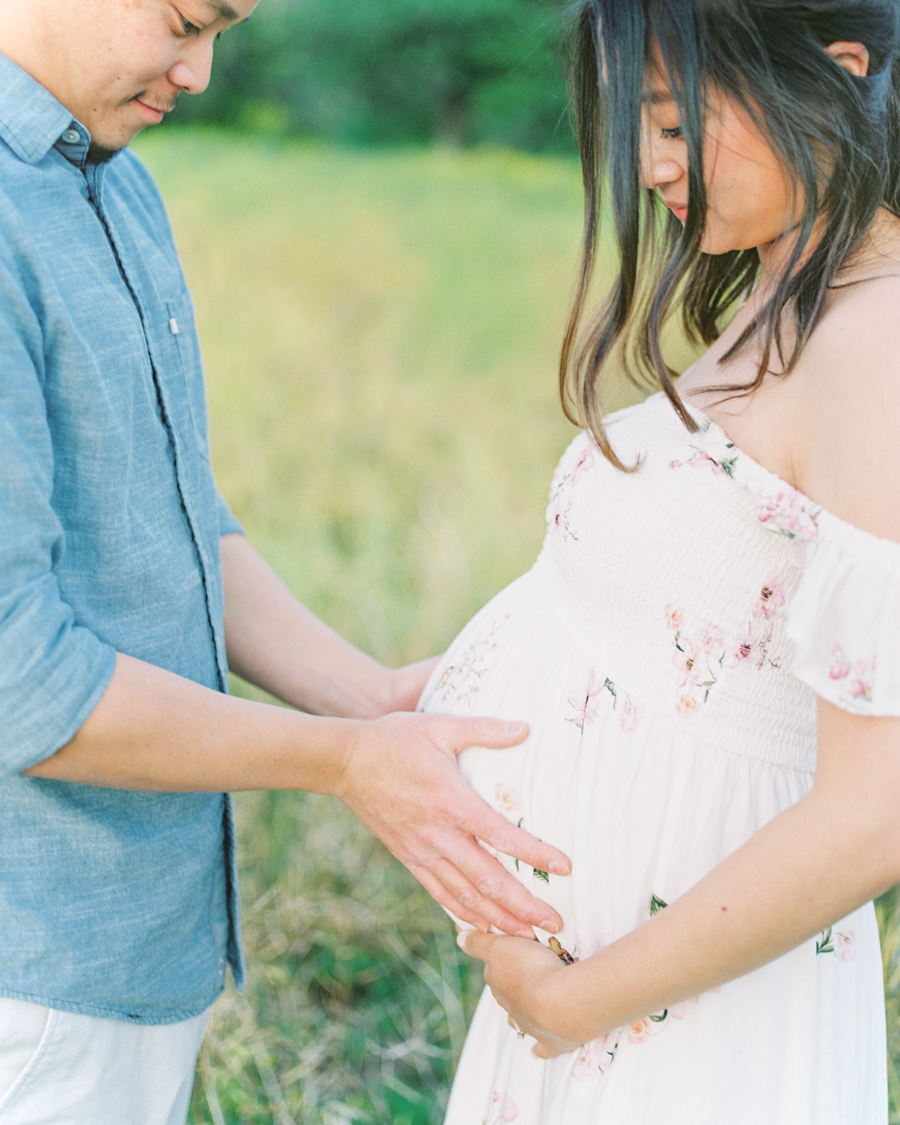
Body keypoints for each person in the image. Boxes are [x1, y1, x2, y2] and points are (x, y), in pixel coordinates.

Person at [0, 2, 573, 1122]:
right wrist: (346, 763)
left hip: (136, 945)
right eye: (183, 21)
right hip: (29, 970)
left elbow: (172, 515)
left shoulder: (111, 180)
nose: (203, 72)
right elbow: (23, 682)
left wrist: (371, 700)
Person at [417, 0, 900, 1120]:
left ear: (835, 76)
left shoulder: (878, 347)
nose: (647, 167)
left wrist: (579, 1006)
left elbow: (877, 810)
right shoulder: (794, 288)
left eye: (676, 124)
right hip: (601, 989)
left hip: (677, 1014)